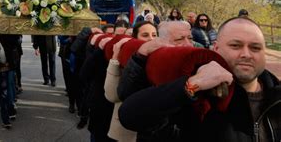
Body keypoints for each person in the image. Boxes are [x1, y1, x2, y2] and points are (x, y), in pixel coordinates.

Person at [118, 17, 280, 142]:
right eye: (235, 46)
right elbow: (129, 116)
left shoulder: (276, 95)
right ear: (215, 48)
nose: (246, 54)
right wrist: (191, 86)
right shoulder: (195, 97)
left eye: (255, 47)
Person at [105, 21, 158, 141]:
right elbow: (112, 95)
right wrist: (115, 57)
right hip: (127, 131)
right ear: (135, 38)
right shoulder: (125, 58)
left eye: (154, 35)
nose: (151, 39)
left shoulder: (162, 57)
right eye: (145, 35)